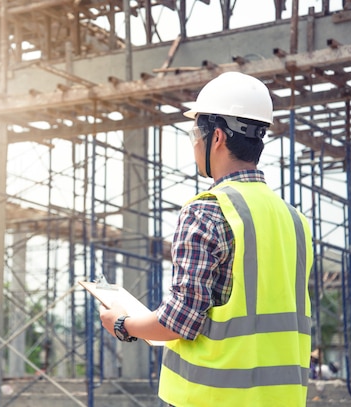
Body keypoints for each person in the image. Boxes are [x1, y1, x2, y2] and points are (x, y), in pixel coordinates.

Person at [99, 71, 313, 406]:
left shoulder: (209, 211)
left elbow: (181, 320)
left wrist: (123, 323)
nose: (194, 144)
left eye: (194, 134)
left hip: (211, 398)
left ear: (216, 137)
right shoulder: (295, 220)